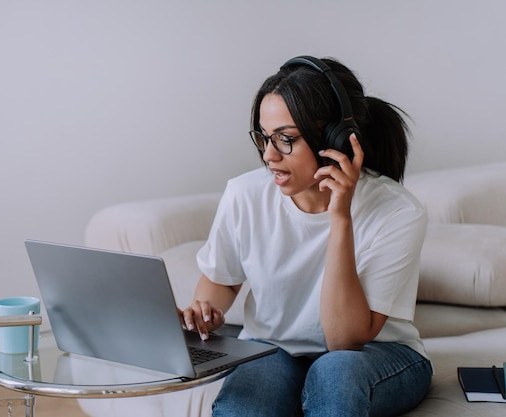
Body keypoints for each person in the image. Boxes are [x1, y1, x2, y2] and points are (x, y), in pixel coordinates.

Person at [179, 56, 433, 417]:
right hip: (272, 349)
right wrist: (207, 309)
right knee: (243, 407)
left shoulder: (397, 211)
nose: (268, 156)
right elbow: (221, 280)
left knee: (334, 373)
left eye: (285, 139)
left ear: (336, 139)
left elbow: (344, 340)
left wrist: (340, 218)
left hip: (374, 356)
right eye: (265, 138)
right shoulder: (244, 194)